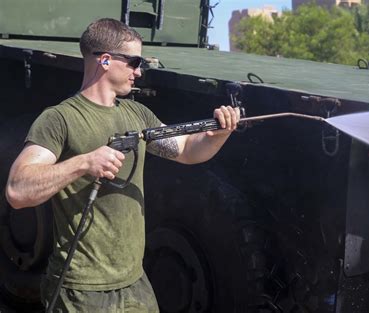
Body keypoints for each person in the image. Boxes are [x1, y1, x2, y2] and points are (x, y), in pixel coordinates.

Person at [5, 18, 240, 312]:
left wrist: (219, 134)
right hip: (81, 288)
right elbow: (17, 190)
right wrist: (84, 162)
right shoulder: (59, 119)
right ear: (105, 60)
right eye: (133, 62)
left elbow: (186, 150)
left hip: (134, 283)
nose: (138, 72)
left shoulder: (137, 114)